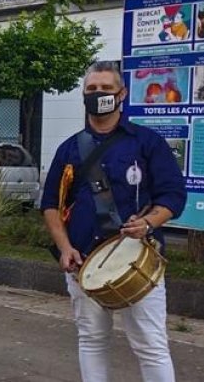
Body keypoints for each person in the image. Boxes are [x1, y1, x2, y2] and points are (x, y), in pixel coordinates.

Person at [41, 61, 186, 382]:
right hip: (83, 262)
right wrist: (64, 248)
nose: (98, 94)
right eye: (92, 89)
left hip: (138, 257)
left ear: (121, 94)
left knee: (151, 345)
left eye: (106, 89)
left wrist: (148, 222)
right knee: (92, 340)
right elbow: (50, 204)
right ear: (83, 94)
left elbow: (174, 195)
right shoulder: (69, 148)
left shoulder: (146, 142)